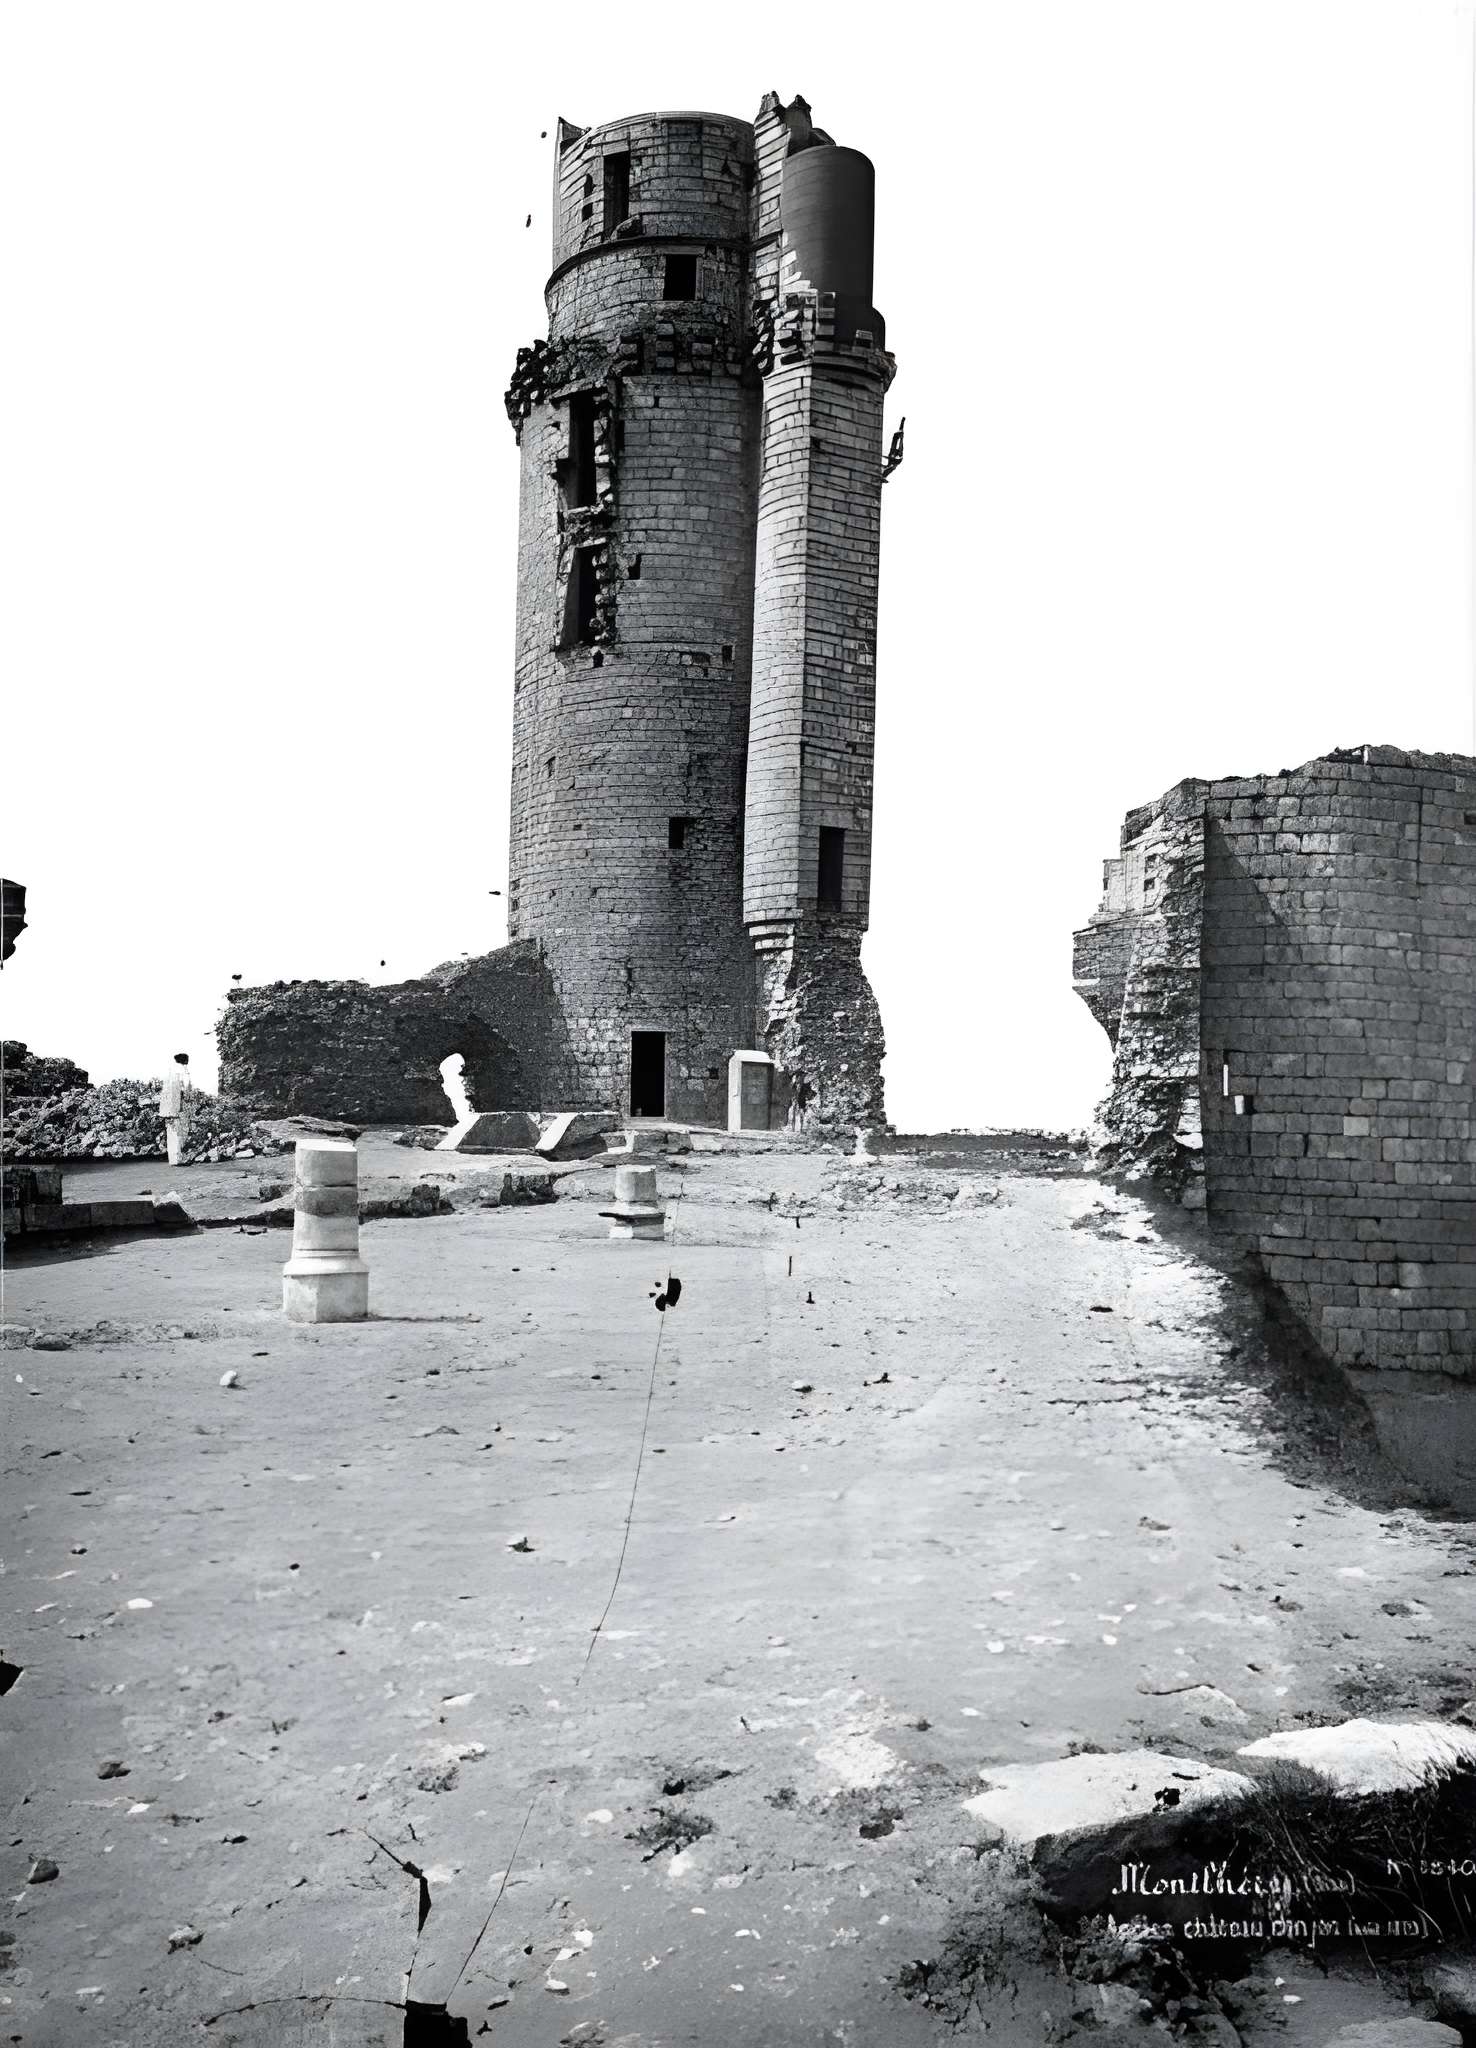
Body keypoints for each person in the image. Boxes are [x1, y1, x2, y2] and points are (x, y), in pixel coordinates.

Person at [159, 1053, 194, 1165]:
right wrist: (188, 1097)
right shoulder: (183, 1070)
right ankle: (178, 1159)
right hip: (176, 1104)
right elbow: (187, 1086)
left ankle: (173, 1159)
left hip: (166, 1106)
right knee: (178, 1131)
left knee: (170, 1131)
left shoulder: (170, 1070)